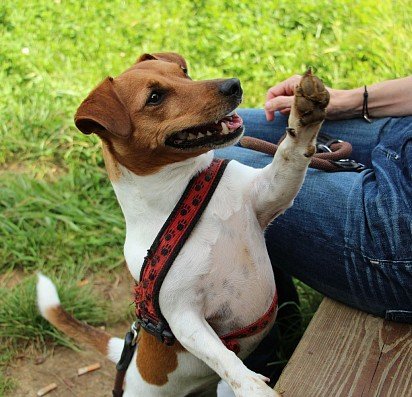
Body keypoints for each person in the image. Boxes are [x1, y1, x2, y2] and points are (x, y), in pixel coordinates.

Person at [215, 75, 412, 382]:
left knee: (201, 166)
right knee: (219, 130)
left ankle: (258, 371)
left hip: (400, 224)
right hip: (404, 132)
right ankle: (282, 315)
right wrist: (348, 101)